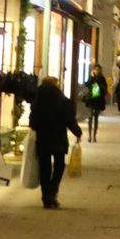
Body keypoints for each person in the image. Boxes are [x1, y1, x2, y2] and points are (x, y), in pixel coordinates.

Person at [29, 75, 82, 209]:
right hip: (58, 137)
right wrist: (77, 132)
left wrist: (37, 127)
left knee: (44, 167)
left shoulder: (38, 99)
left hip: (43, 137)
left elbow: (33, 119)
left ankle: (46, 195)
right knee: (59, 165)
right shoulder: (60, 98)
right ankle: (52, 191)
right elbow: (69, 118)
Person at [83, 64, 107, 141]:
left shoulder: (102, 78)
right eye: (95, 69)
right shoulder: (91, 77)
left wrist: (97, 85)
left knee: (96, 118)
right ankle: (89, 136)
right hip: (91, 100)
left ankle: (94, 136)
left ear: (100, 70)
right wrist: (92, 78)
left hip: (98, 100)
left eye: (98, 69)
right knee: (90, 118)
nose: (96, 71)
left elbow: (105, 89)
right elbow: (86, 85)